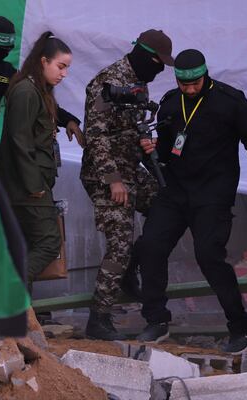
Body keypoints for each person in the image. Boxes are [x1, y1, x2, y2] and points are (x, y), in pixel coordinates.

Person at [136, 49, 247, 354]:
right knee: (151, 245)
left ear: (204, 75)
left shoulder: (230, 101)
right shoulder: (171, 102)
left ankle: (242, 326)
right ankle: (156, 319)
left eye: (195, 83)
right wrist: (150, 152)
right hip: (175, 189)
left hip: (213, 192)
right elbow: (170, 150)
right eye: (184, 84)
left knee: (209, 255)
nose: (189, 89)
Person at [80, 29, 174, 340]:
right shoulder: (108, 82)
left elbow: (132, 131)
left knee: (168, 206)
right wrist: (113, 180)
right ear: (146, 57)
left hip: (131, 171)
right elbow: (95, 137)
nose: (160, 70)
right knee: (118, 244)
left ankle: (132, 266)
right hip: (104, 176)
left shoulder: (140, 84)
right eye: (158, 63)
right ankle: (99, 318)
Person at [0, 31, 72, 283]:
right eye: (60, 66)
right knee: (50, 242)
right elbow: (20, 140)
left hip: (32, 184)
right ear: (43, 61)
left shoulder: (38, 91)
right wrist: (34, 185)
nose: (64, 74)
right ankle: (8, 288)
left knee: (26, 247)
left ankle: (20, 313)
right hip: (28, 188)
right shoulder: (26, 91)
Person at [0, 16, 85, 146]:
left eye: (7, 50)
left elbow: (39, 100)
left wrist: (68, 120)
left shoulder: (6, 72)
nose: (3, 54)